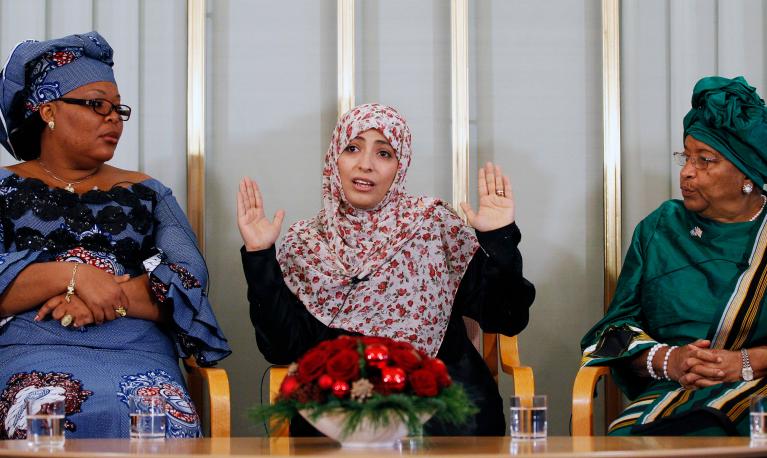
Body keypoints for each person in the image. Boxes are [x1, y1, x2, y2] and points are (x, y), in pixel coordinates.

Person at [238, 103, 535, 435]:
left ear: (400, 165)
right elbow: (281, 348)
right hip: (339, 418)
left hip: (443, 411)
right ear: (334, 158)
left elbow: (506, 317)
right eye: (353, 148)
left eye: (384, 153)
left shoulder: (432, 225)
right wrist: (260, 254)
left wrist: (499, 238)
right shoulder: (306, 244)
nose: (365, 165)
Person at [0, 32, 230, 439]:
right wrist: (71, 276)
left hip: (138, 352)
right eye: (96, 105)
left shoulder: (147, 192)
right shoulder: (4, 189)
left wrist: (106, 297)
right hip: (32, 350)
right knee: (42, 417)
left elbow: (189, 279)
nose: (112, 118)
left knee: (160, 419)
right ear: (49, 110)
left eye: (117, 109)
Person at [581, 76, 767, 436]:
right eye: (685, 156)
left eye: (706, 160)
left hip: (758, 391)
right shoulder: (660, 229)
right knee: (627, 439)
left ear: (748, 175)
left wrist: (744, 363)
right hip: (673, 394)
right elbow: (612, 332)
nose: (686, 172)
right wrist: (669, 360)